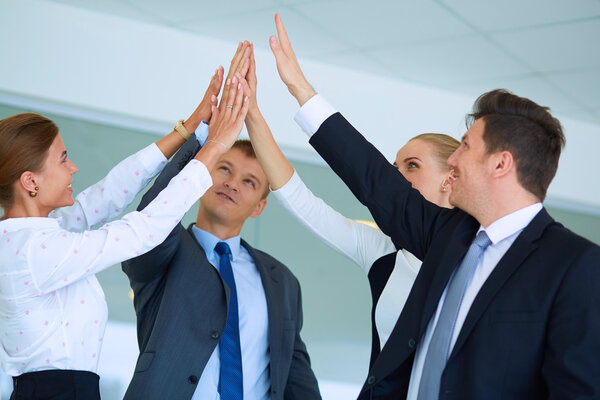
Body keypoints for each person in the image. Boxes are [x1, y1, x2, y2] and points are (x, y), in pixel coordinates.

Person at [268, 13, 600, 400]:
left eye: (465, 147)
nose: (454, 159)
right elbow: (374, 179)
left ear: (500, 163)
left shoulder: (574, 265)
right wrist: (301, 90)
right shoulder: (448, 235)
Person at [0, 64, 250, 400]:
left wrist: (192, 128)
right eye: (63, 159)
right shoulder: (34, 249)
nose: (72, 167)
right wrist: (215, 148)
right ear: (30, 181)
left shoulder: (28, 236)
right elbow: (141, 231)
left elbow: (108, 193)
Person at [121, 41, 321, 400]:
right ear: (202, 178)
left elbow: (296, 378)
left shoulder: (282, 281)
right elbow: (152, 214)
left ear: (259, 207)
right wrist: (207, 137)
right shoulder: (161, 250)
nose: (231, 183)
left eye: (250, 181)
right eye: (223, 169)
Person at [242, 43, 458, 367]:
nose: (395, 176)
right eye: (394, 166)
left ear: (449, 178)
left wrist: (301, 88)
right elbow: (301, 201)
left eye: (412, 165)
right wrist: (252, 116)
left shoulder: (476, 250)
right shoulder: (383, 251)